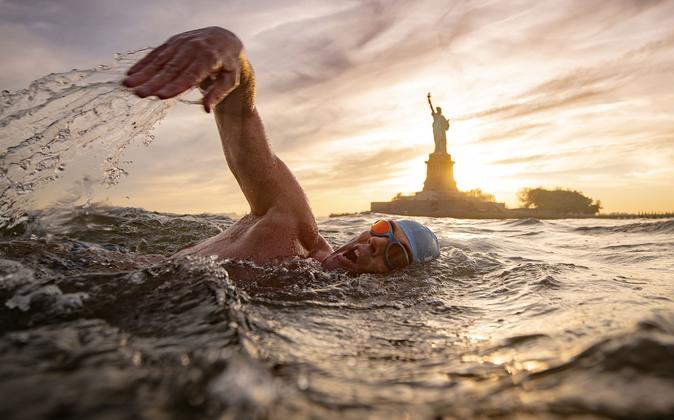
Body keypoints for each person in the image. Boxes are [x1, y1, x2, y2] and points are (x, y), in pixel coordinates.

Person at [122, 27, 439, 274]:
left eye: (395, 254)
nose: (376, 242)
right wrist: (232, 51)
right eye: (383, 229)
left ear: (398, 279)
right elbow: (239, 113)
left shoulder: (316, 291)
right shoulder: (293, 226)